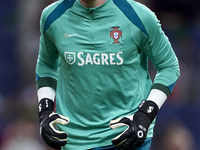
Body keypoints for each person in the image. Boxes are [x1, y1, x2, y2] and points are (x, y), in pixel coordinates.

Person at [35, 0, 180, 150]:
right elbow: (46, 66)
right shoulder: (52, 17)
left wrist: (146, 114)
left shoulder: (138, 16)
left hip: (128, 135)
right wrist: (45, 110)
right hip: (74, 140)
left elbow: (169, 66)